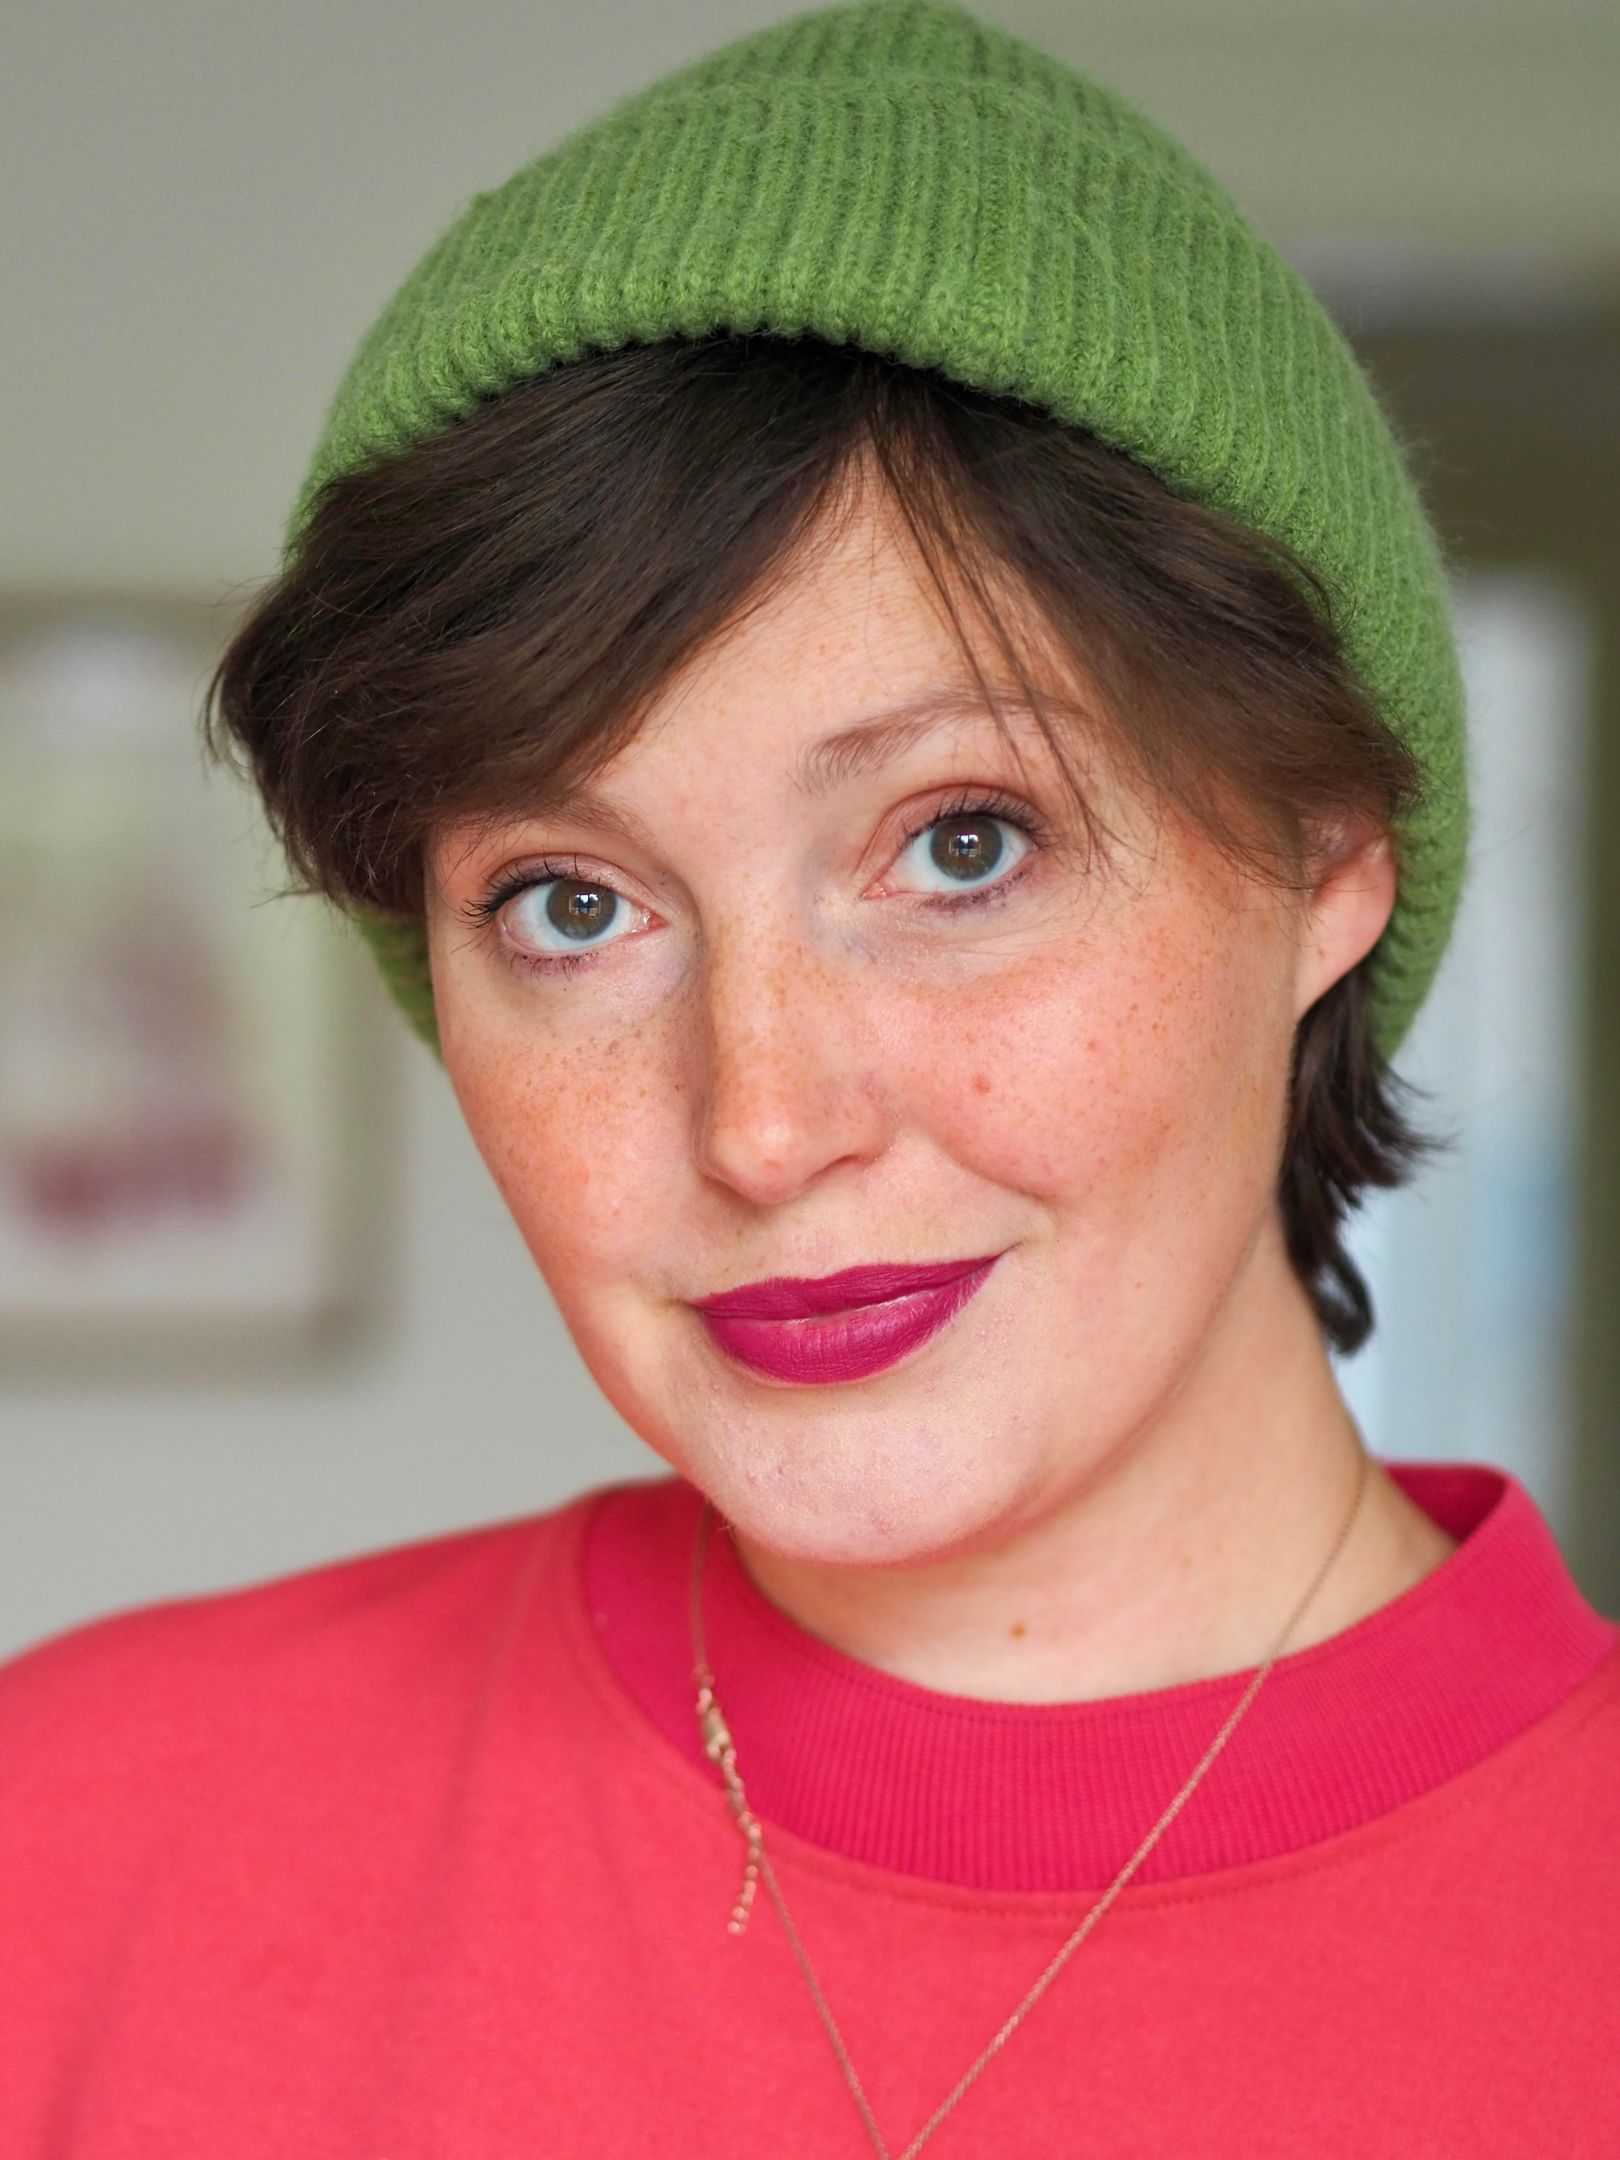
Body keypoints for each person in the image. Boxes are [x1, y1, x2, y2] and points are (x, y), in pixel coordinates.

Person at [3, 2, 1617, 2153]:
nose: (762, 1125)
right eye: (572, 903)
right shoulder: (75, 1849)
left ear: (1327, 863)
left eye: (963, 846)